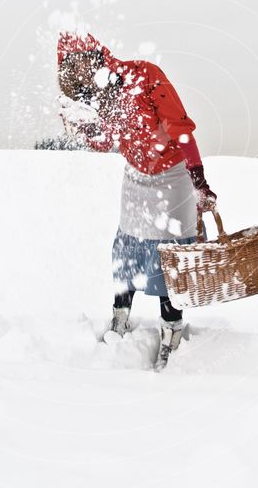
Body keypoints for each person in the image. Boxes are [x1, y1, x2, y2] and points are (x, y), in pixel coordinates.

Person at [57, 31, 218, 370]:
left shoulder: (145, 75)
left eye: (81, 63)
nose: (80, 74)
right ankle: (119, 320)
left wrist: (198, 178)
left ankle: (171, 332)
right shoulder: (96, 99)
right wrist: (83, 129)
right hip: (135, 178)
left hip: (172, 175)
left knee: (167, 257)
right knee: (126, 250)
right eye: (72, 71)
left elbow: (180, 128)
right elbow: (106, 142)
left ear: (95, 56)